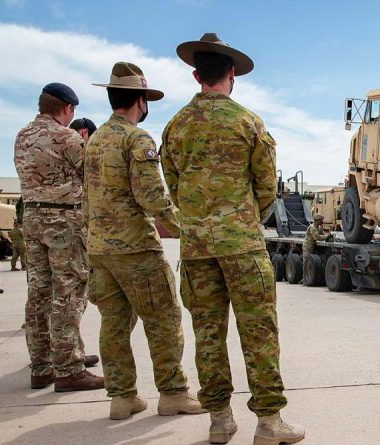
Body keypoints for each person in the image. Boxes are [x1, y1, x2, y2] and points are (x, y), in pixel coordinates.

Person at [162, 33, 304, 445]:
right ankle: (269, 422)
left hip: (196, 249)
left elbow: (172, 185)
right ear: (231, 74)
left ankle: (220, 420)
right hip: (242, 245)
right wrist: (242, 220)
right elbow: (266, 189)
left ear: (195, 75)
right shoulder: (248, 122)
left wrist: (200, 220)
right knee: (258, 331)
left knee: (207, 333)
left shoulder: (175, 127)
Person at [85, 61, 205, 420]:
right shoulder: (136, 139)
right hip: (136, 249)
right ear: (141, 100)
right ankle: (173, 393)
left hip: (100, 250)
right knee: (164, 319)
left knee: (114, 324)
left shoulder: (95, 140)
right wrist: (188, 230)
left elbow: (87, 198)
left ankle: (122, 398)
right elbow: (153, 197)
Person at [14, 82, 104, 392]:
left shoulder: (22, 136)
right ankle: (69, 369)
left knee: (38, 292)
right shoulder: (66, 137)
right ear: (66, 109)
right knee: (68, 293)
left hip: (32, 219)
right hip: (63, 220)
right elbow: (93, 176)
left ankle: (42, 366)